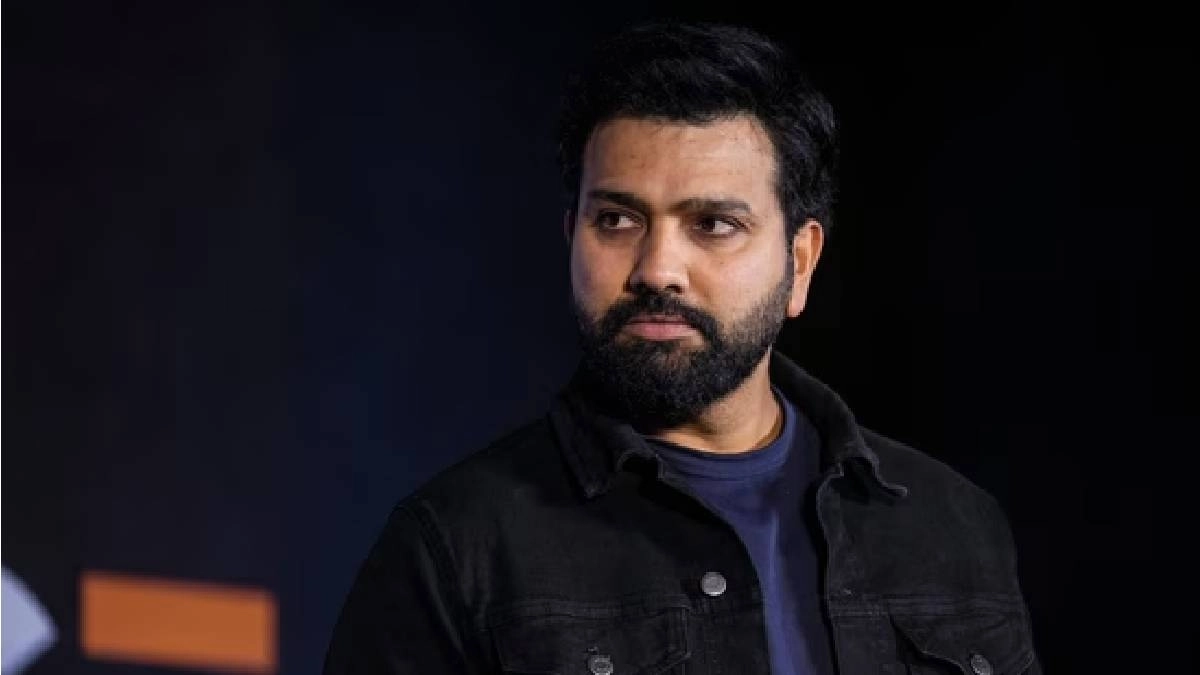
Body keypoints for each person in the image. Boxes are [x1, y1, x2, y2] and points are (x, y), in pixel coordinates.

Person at [323, 21, 1041, 675]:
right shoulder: (456, 550)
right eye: (616, 219)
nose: (657, 268)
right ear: (570, 235)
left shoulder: (954, 527)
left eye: (713, 225)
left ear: (800, 263)